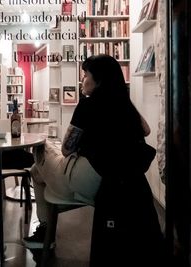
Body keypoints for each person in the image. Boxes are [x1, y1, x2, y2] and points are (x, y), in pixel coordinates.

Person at [24, 55, 165, 266]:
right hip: (122, 183)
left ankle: (44, 233)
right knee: (37, 170)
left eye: (85, 75)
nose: (82, 80)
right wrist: (123, 102)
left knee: (41, 151)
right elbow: (146, 129)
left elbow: (66, 148)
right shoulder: (124, 105)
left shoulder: (87, 105)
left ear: (98, 79)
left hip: (90, 180)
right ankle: (44, 230)